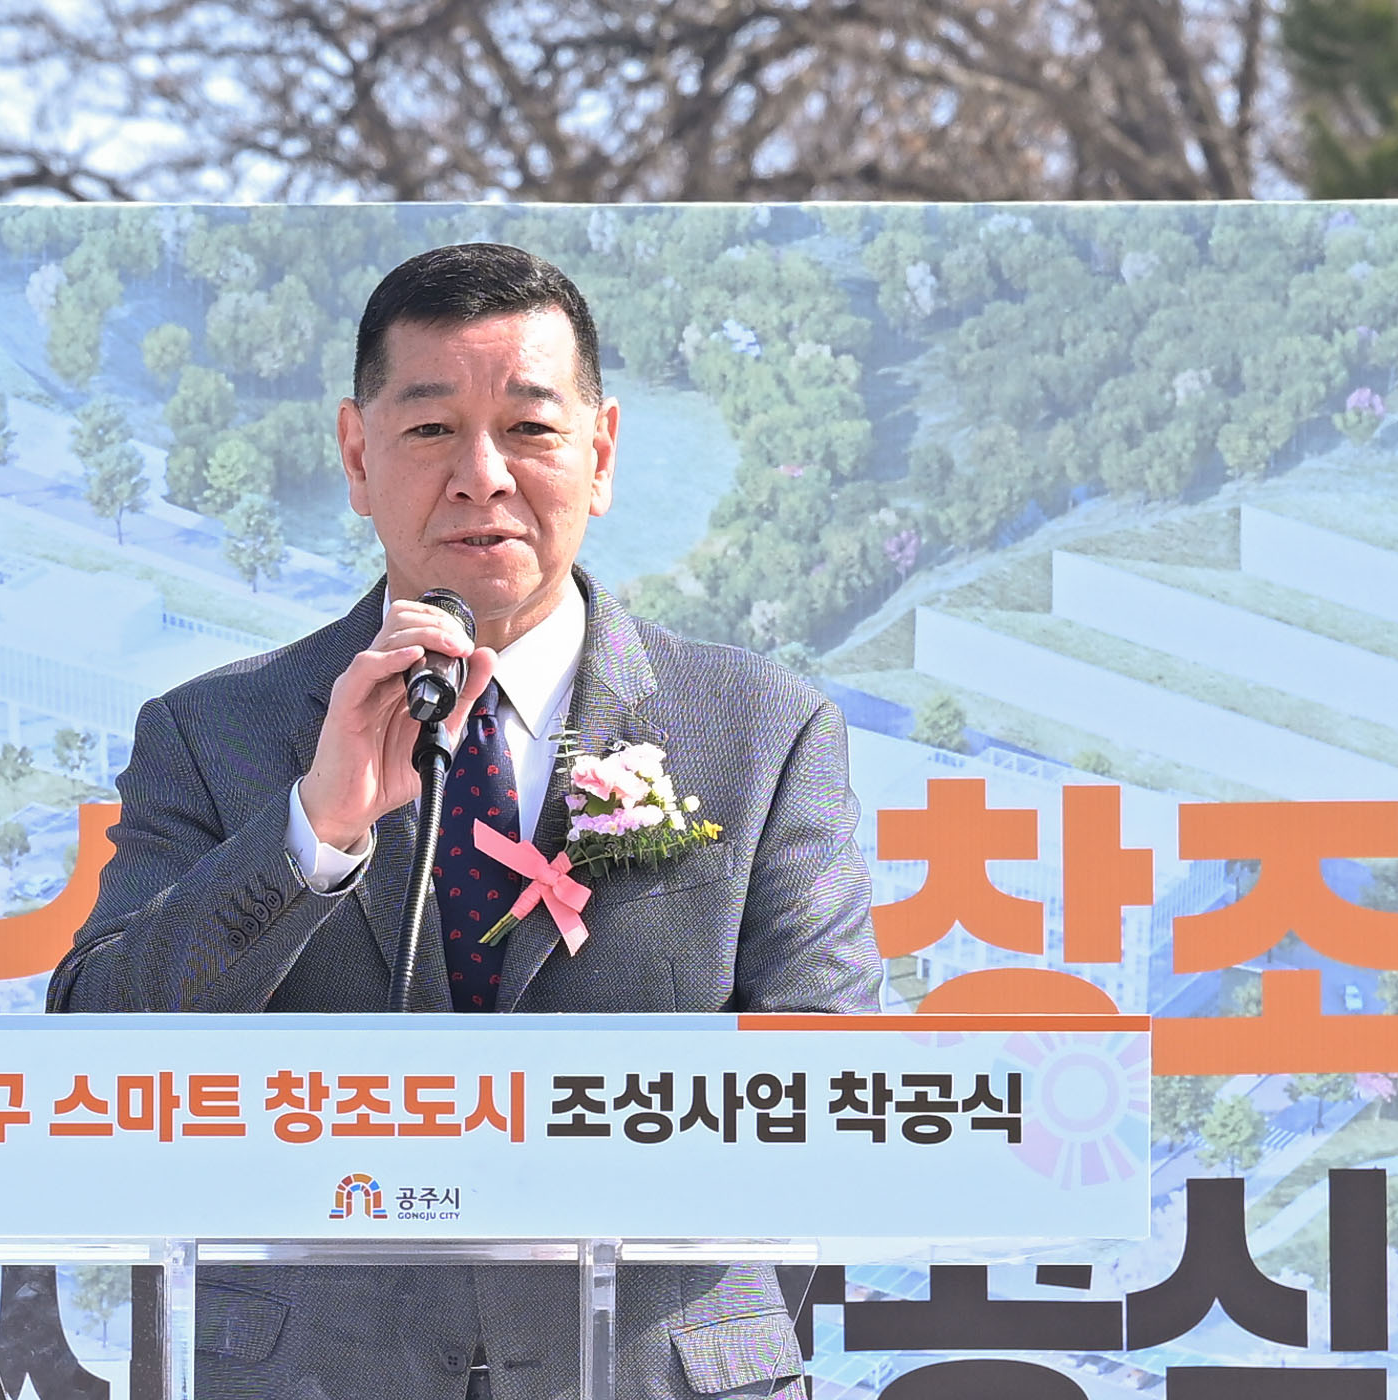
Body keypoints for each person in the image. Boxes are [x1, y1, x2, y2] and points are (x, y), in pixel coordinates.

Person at [50, 242, 881, 1399]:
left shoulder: (759, 730)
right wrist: (310, 834)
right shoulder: (212, 732)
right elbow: (92, 1052)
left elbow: (828, 1092)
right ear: (357, 455)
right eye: (431, 428)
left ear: (599, 453)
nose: (481, 475)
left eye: (529, 428)